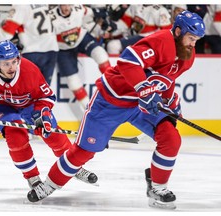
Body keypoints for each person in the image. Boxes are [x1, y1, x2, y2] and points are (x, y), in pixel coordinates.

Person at [26, 10, 205, 210]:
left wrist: (170, 103)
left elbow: (167, 80)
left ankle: (158, 187)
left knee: (171, 138)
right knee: (84, 152)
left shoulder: (187, 55)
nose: (193, 44)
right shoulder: (161, 41)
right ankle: (49, 185)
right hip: (110, 102)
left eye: (197, 40)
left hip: (140, 105)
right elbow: (128, 62)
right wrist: (144, 90)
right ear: (178, 31)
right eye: (191, 38)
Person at [0, 40, 97, 191]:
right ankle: (33, 178)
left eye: (14, 61)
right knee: (15, 134)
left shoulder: (30, 71)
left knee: (52, 133)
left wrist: (41, 115)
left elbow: (46, 97)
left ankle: (74, 167)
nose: (11, 67)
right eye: (6, 63)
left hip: (29, 104)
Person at [0, 4, 58, 85]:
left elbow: (7, 32)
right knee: (43, 90)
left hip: (33, 51)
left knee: (26, 89)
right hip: (52, 50)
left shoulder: (21, 6)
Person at [49, 4, 113, 109]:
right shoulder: (51, 16)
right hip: (62, 49)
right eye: (64, 5)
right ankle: (91, 110)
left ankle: (114, 86)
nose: (66, 8)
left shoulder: (78, 8)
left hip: (81, 38)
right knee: (73, 82)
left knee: (101, 54)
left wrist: (103, 17)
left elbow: (94, 12)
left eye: (69, 5)